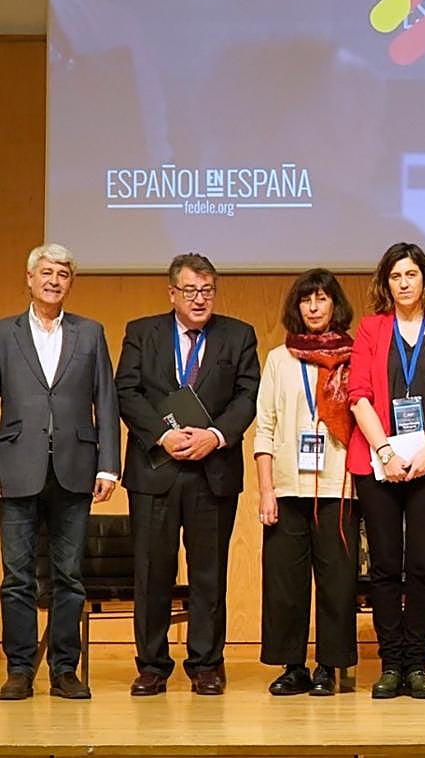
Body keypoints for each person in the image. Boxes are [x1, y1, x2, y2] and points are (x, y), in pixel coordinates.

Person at [115, 253, 260, 696]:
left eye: (207, 290)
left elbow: (247, 395)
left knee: (209, 574)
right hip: (155, 470)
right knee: (152, 571)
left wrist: (215, 436)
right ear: (172, 293)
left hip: (211, 471)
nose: (199, 299)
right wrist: (163, 435)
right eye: (190, 291)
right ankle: (153, 665)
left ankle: (206, 664)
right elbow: (127, 390)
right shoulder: (142, 332)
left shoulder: (239, 335)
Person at [348, 242, 425, 700]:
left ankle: (417, 664)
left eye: (411, 275)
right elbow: (357, 393)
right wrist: (385, 451)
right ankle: (390, 664)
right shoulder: (371, 328)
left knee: (421, 566)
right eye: (396, 276)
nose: (404, 283)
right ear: (386, 283)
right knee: (383, 567)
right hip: (378, 461)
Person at [0, 244, 120, 701]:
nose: (54, 280)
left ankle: (65, 669)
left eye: (63, 274)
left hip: (75, 467)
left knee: (69, 575)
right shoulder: (3, 333)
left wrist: (109, 465)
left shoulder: (90, 333)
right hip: (15, 466)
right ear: (29, 279)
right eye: (46, 272)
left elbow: (105, 402)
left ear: (71, 283)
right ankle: (18, 668)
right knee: (16, 577)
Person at [254, 269, 359, 696]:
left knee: (337, 582)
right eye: (306, 300)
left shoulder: (355, 355)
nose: (314, 307)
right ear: (296, 308)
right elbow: (264, 427)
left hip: (340, 486)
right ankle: (292, 665)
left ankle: (328, 668)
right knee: (285, 583)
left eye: (322, 299)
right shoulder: (280, 359)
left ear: (336, 305)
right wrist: (265, 490)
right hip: (286, 487)